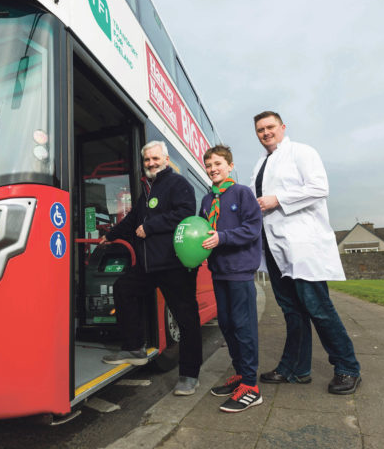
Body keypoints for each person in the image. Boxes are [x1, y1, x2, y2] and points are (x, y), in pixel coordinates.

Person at [250, 111, 361, 394]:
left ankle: (348, 367)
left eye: (270, 127)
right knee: (291, 311)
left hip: (301, 245)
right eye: (260, 129)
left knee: (318, 308)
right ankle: (295, 369)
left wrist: (279, 199)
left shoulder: (301, 152)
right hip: (275, 248)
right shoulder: (260, 164)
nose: (265, 132)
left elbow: (319, 187)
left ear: (282, 127)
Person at [100, 140, 203, 396]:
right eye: (147, 160)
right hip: (149, 265)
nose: (151, 163)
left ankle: (190, 375)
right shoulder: (146, 190)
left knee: (186, 319)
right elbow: (134, 219)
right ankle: (134, 347)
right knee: (123, 288)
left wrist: (152, 226)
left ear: (166, 160)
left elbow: (186, 213)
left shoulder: (178, 184)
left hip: (174, 265)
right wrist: (110, 236)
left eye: (155, 159)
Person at [198, 145, 263, 413]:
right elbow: (202, 232)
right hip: (219, 271)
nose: (213, 169)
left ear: (230, 166)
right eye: (209, 165)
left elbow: (252, 229)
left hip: (239, 271)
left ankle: (251, 386)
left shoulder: (242, 193)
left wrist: (222, 237)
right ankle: (240, 373)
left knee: (243, 326)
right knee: (226, 324)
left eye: (218, 164)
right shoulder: (206, 200)